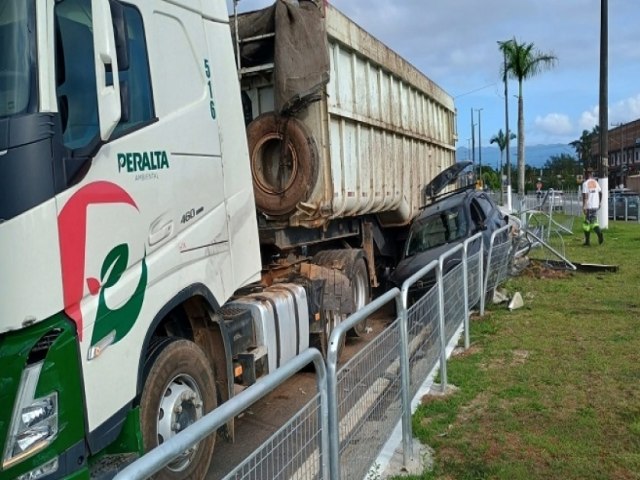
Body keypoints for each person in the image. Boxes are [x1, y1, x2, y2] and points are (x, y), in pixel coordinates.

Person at [581, 168, 603, 245]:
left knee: (586, 224)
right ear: (591, 174)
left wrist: (584, 206)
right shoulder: (595, 182)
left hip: (589, 206)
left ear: (586, 174)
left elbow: (585, 196)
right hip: (595, 205)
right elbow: (600, 193)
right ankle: (599, 234)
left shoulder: (585, 184)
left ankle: (587, 241)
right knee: (594, 222)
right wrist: (599, 202)